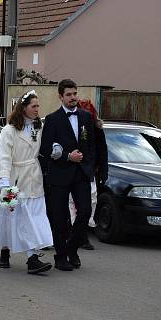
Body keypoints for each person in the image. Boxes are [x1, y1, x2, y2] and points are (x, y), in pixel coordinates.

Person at [39, 79, 97, 272]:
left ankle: (72, 248)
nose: (73, 98)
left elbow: (91, 145)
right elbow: (46, 148)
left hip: (81, 173)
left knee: (86, 211)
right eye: (69, 95)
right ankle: (61, 256)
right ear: (61, 97)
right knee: (59, 217)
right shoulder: (52, 119)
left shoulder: (86, 117)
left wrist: (88, 164)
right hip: (60, 173)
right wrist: (67, 156)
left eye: (74, 94)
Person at [0, 90, 53, 274]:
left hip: (34, 178)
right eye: (33, 106)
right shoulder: (9, 130)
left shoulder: (39, 128)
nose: (37, 109)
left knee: (33, 217)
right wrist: (4, 180)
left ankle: (32, 257)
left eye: (38, 106)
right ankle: (5, 250)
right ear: (23, 108)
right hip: (13, 178)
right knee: (9, 216)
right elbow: (3, 157)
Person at [68, 99, 108, 250]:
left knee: (88, 203)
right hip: (72, 169)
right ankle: (75, 235)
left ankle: (81, 235)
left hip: (89, 171)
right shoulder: (73, 126)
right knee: (72, 203)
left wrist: (103, 170)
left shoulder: (97, 129)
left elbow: (102, 151)